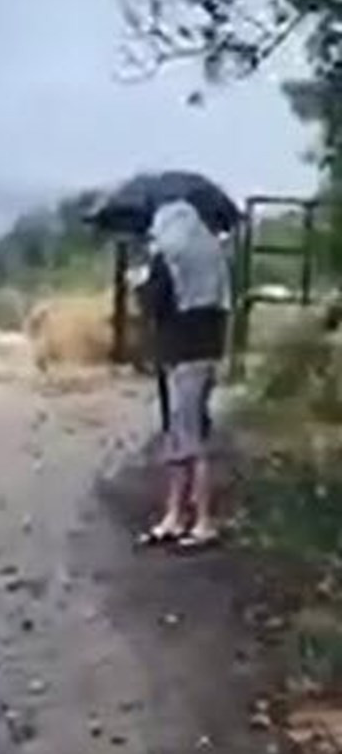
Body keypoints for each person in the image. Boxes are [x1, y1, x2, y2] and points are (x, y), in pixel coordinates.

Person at [139, 200, 231, 550]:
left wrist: (142, 281)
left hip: (178, 352)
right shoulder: (214, 256)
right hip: (207, 351)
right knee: (187, 434)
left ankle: (201, 519)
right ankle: (175, 515)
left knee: (186, 438)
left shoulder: (168, 257)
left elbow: (152, 306)